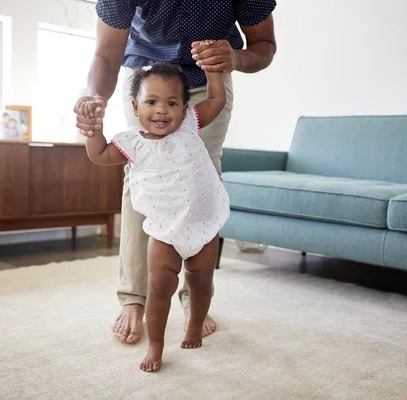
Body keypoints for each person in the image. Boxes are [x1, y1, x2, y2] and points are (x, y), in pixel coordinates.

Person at [74, 0, 277, 345]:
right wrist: (93, 102)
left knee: (202, 176)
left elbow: (264, 46)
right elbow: (107, 56)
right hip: (146, 81)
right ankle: (135, 297)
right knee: (143, 176)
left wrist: (234, 58)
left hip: (207, 80)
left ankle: (194, 294)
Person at [82, 61, 228, 372]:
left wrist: (214, 72)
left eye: (172, 103)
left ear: (185, 107)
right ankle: (156, 346)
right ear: (135, 107)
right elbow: (97, 154)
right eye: (151, 102)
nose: (161, 110)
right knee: (160, 287)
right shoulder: (131, 143)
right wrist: (93, 130)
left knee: (201, 282)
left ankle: (194, 324)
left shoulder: (190, 124)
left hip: (202, 225)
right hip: (164, 232)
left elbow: (217, 100)